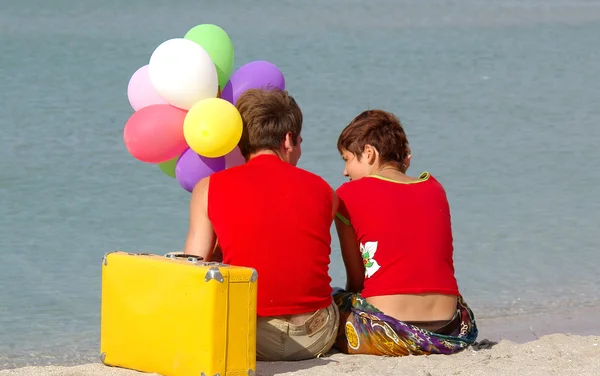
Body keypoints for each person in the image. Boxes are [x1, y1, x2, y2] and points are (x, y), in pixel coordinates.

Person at [184, 88, 339, 361]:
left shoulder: (208, 188)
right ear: (288, 139)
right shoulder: (324, 190)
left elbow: (192, 268)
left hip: (250, 337)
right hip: (317, 335)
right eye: (300, 141)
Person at [332, 109, 478, 356]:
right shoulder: (435, 188)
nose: (345, 172)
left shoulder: (347, 195)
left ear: (369, 153)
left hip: (387, 331)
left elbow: (356, 282)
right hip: (449, 329)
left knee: (333, 299)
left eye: (347, 159)